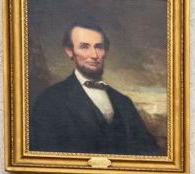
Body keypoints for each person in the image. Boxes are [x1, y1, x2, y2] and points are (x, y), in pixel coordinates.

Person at [30, 19, 162, 155]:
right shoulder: (50, 100)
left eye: (99, 46)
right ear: (70, 51)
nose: (94, 55)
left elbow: (148, 151)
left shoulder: (123, 102)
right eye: (84, 47)